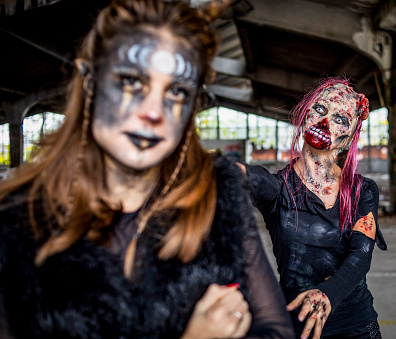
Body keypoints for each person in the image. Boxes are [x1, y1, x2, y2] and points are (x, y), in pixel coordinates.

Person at [0, 0, 294, 338]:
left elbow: (276, 330)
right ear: (91, 82)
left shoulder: (217, 197)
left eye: (176, 91)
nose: (154, 112)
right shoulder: (15, 222)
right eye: (131, 82)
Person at [238, 77, 387, 339]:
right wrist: (230, 170)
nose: (325, 121)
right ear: (305, 115)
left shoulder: (363, 190)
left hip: (358, 323)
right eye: (319, 110)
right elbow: (255, 179)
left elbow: (361, 254)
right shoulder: (278, 189)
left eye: (340, 119)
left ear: (347, 139)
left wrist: (327, 294)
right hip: (300, 326)